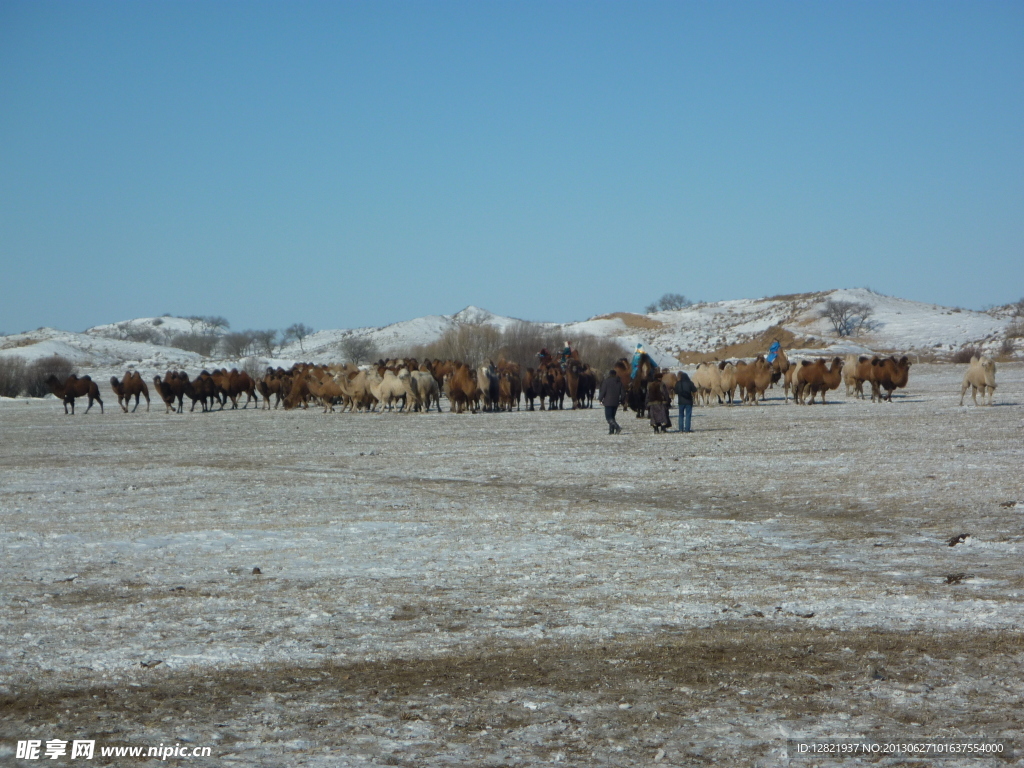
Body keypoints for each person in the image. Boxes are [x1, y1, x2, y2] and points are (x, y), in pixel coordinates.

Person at [599, 369, 625, 434]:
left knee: (608, 418)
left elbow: (603, 391)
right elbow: (623, 393)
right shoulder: (619, 382)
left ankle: (617, 427)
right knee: (612, 417)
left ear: (609, 374)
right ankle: (611, 431)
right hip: (616, 402)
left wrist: (600, 398)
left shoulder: (606, 381)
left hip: (608, 402)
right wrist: (622, 400)